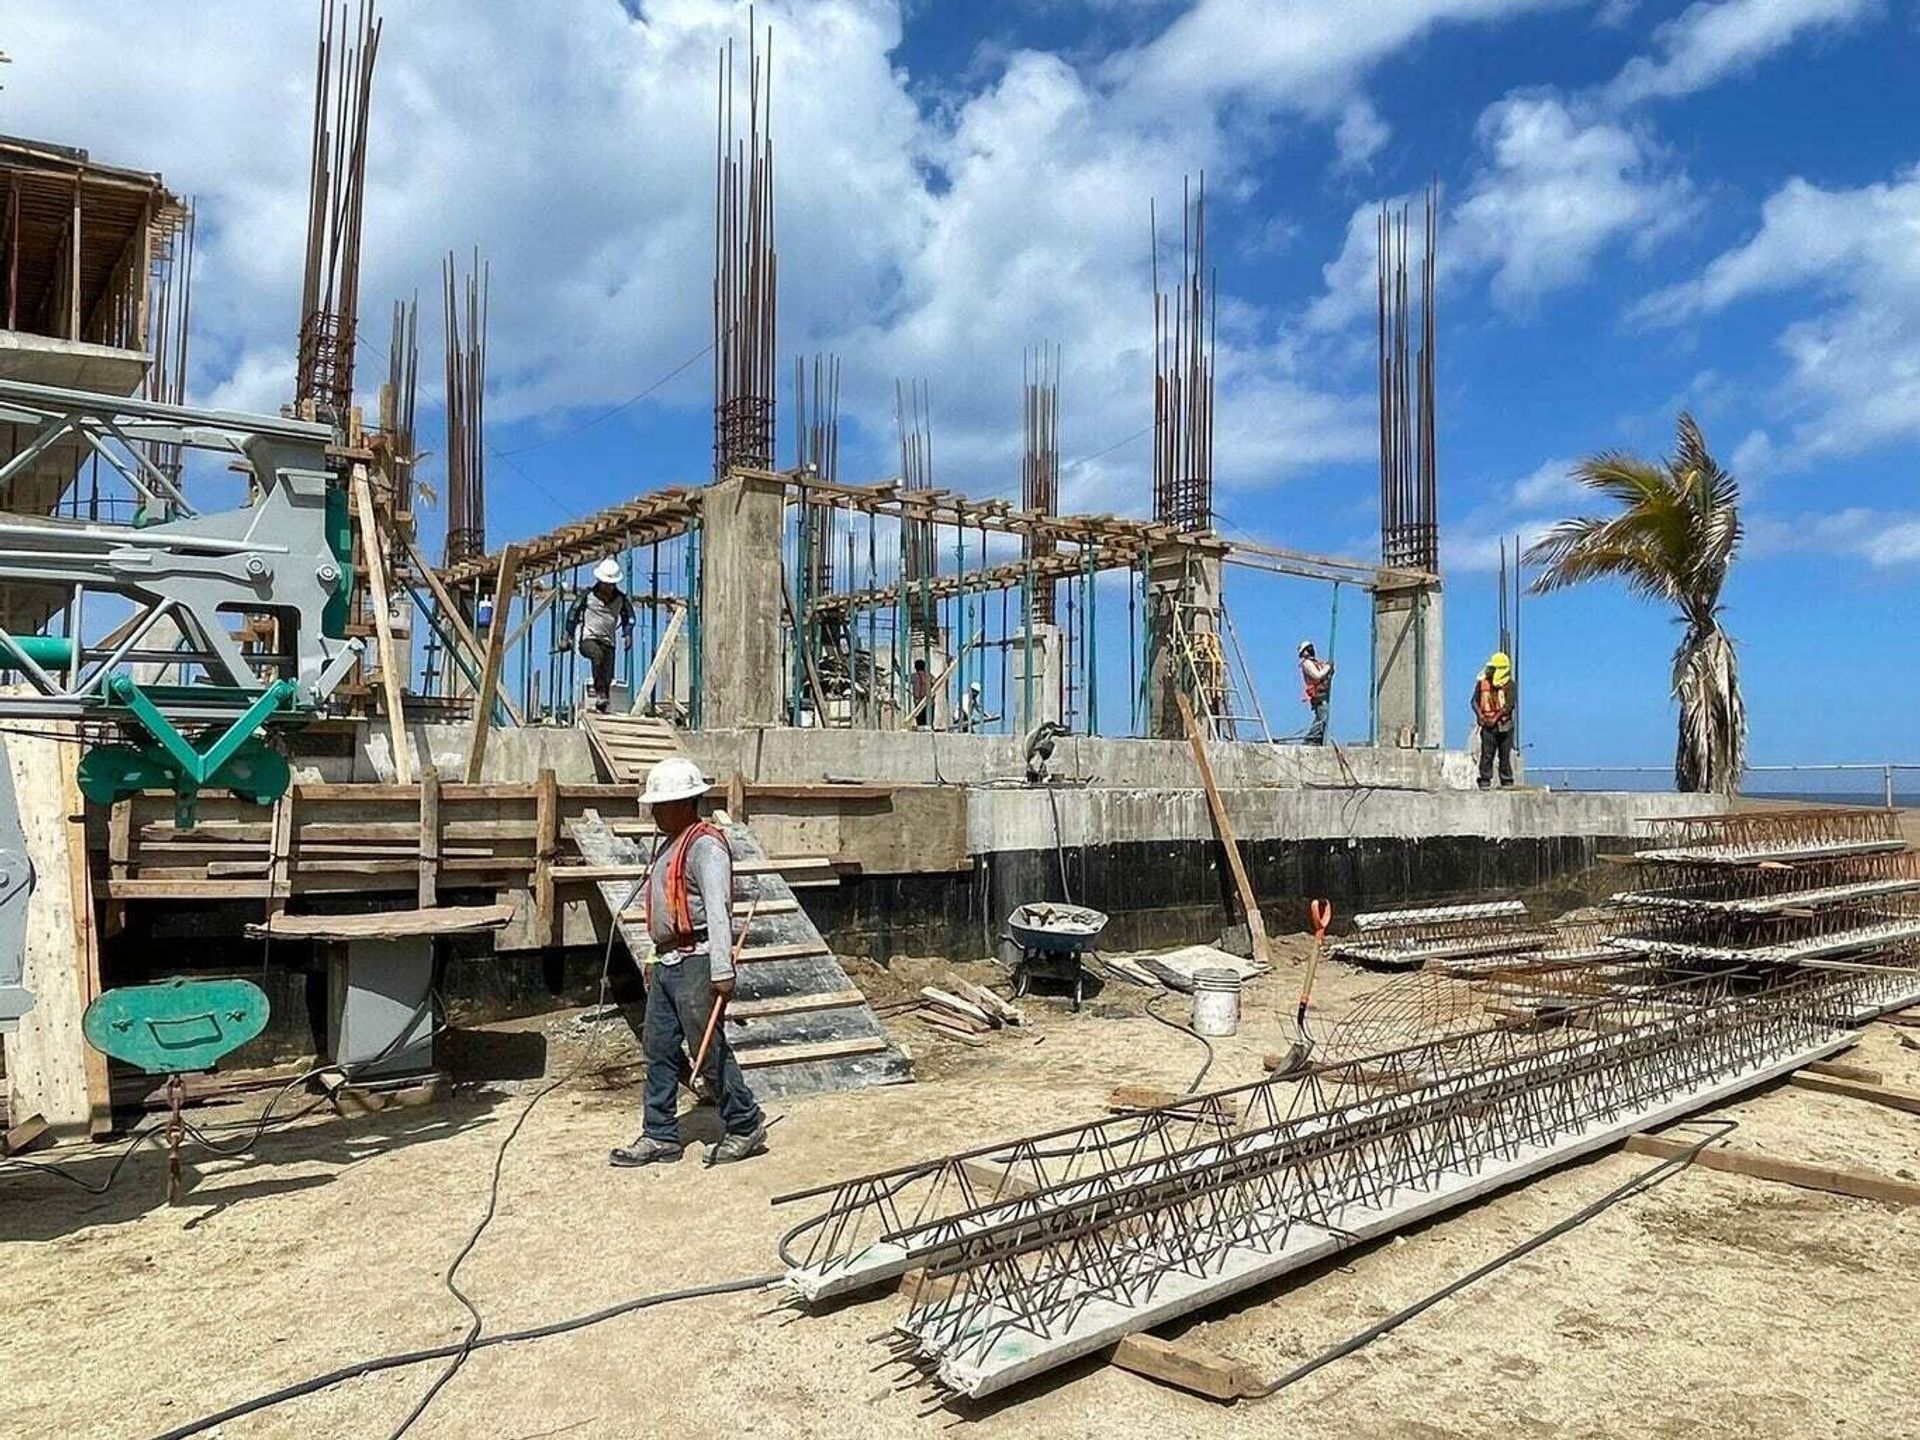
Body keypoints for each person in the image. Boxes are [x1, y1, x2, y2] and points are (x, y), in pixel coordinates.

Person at [611, 757, 768, 1168]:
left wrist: (721, 970)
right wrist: (652, 956)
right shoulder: (669, 845)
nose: (655, 813)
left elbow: (718, 910)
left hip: (698, 962)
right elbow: (662, 912)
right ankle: (659, 1133)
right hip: (667, 961)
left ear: (685, 803)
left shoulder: (705, 847)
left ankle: (744, 1122)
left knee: (707, 1046)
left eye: (661, 805)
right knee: (659, 1047)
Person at [560, 558, 635, 714]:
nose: (608, 587)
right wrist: (566, 638)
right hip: (589, 639)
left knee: (608, 674)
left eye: (611, 584)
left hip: (609, 641)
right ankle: (600, 694)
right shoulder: (587, 596)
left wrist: (627, 634)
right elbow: (572, 616)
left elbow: (629, 617)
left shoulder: (620, 599)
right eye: (605, 583)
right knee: (597, 656)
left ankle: (603, 703)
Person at [1473, 650, 1517, 790]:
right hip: (1487, 726)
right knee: (1487, 754)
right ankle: (1485, 779)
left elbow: (1509, 706)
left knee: (1504, 756)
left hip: (1505, 727)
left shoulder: (1510, 685)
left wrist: (1495, 718)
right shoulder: (1482, 683)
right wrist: (1480, 715)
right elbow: (1474, 701)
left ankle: (1506, 780)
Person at [1298, 640, 1333, 746]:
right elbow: (1317, 675)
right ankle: (1310, 740)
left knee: (1322, 717)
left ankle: (1317, 740)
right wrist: (1328, 667)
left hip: (1322, 693)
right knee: (1322, 718)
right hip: (1318, 694)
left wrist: (1329, 670)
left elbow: (1324, 674)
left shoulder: (1315, 662)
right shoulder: (1307, 663)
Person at [909, 657, 932, 729]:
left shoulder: (915, 676)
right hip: (929, 703)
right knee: (928, 725)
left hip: (919, 703)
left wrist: (897, 668)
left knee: (920, 725)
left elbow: (905, 678)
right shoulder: (929, 676)